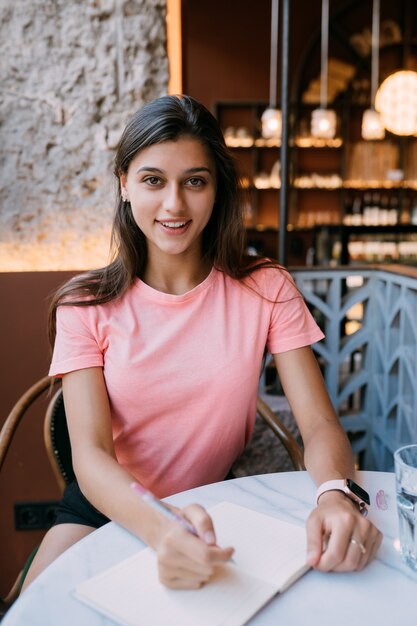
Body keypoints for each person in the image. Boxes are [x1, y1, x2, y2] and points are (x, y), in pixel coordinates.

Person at [23, 94, 382, 592]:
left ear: (217, 191)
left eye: (195, 181)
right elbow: (90, 456)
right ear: (124, 184)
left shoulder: (266, 287)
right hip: (106, 509)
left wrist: (336, 495)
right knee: (32, 611)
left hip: (219, 503)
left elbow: (320, 424)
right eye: (153, 180)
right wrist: (162, 528)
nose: (174, 204)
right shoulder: (84, 306)